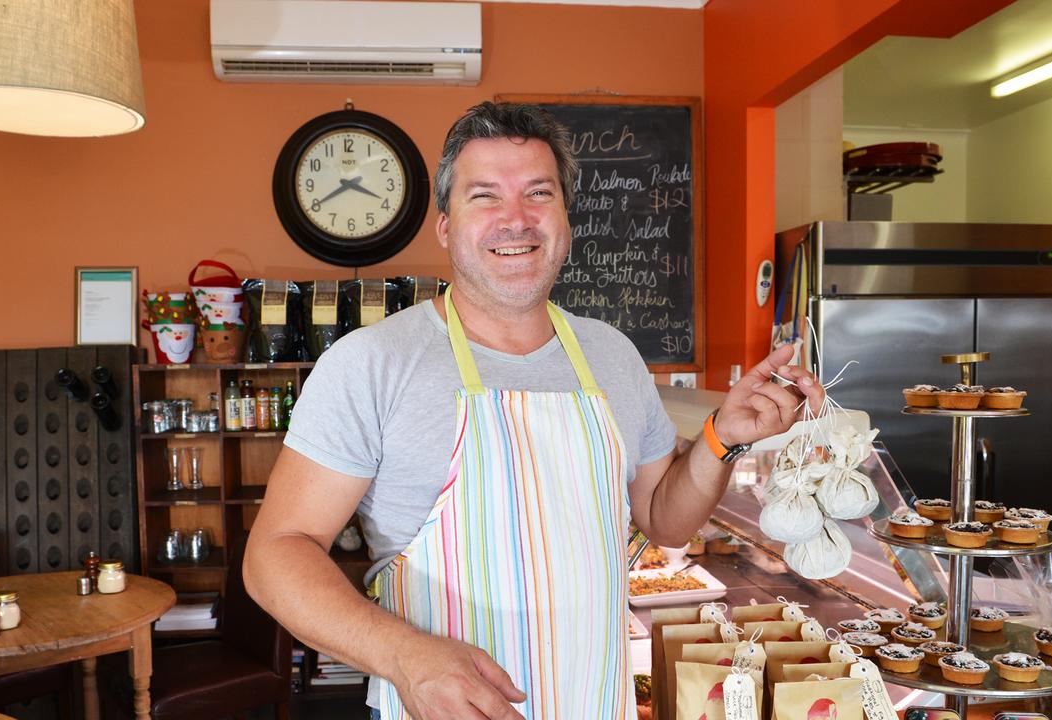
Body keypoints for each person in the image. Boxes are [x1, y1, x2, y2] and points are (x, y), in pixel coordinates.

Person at [245, 101, 825, 720]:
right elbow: (276, 553)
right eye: (485, 196)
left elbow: (664, 521)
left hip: (593, 701)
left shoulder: (613, 355)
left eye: (538, 193)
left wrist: (722, 438)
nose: (515, 220)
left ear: (565, 219)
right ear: (446, 225)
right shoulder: (372, 363)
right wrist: (404, 656)